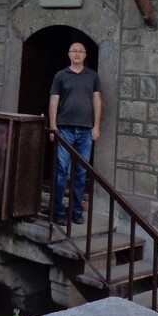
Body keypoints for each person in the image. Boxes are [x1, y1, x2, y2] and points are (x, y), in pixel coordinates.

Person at [48, 42, 102, 225]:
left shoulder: (92, 76)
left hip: (85, 130)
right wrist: (53, 126)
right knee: (62, 170)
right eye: (74, 51)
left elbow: (97, 101)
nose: (77, 54)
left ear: (85, 55)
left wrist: (96, 126)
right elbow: (54, 101)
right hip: (64, 129)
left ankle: (77, 211)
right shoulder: (60, 76)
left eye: (80, 51)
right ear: (69, 54)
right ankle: (57, 211)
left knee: (81, 172)